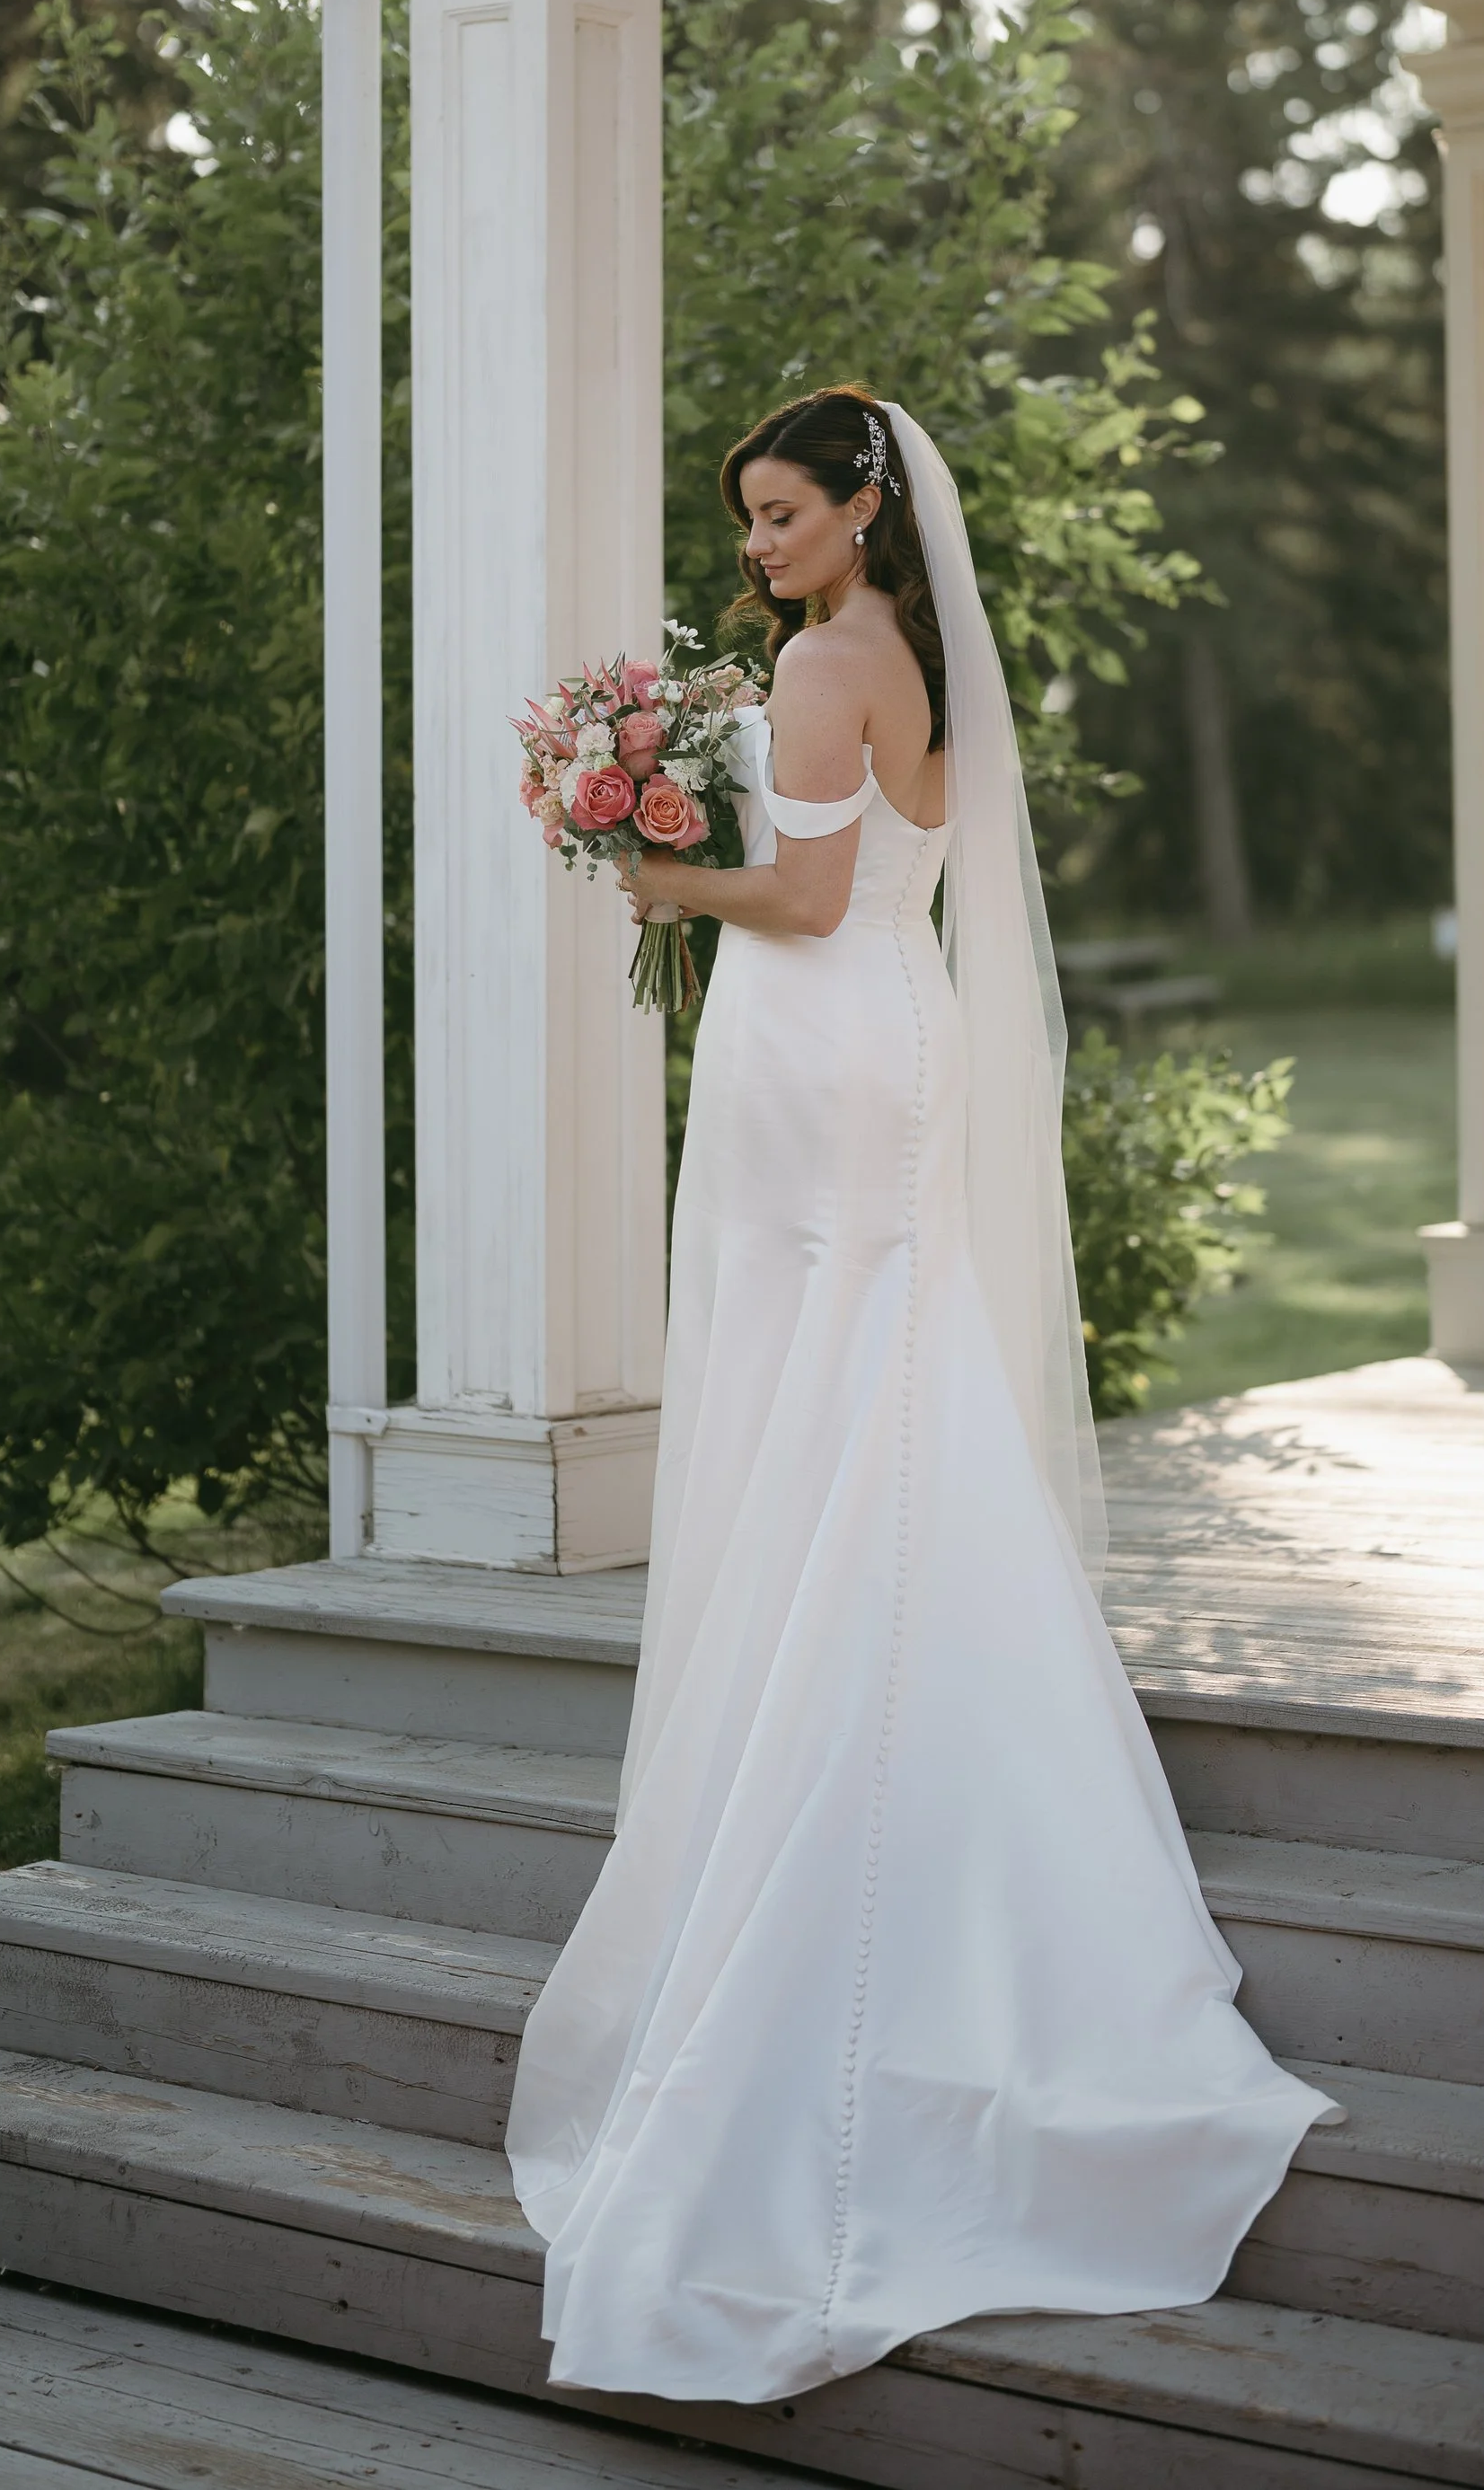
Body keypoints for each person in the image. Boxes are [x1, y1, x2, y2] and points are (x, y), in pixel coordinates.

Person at [504, 386, 1335, 2406]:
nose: (762, 545)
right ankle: (901, 1673)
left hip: (814, 1046)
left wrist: (646, 872)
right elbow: (879, 879)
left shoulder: (821, 658)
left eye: (784, 512)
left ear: (864, 508)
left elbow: (788, 898)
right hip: (894, 1037)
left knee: (823, 1380)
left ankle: (829, 1711)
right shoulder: (931, 660)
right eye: (752, 520)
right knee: (881, 1383)